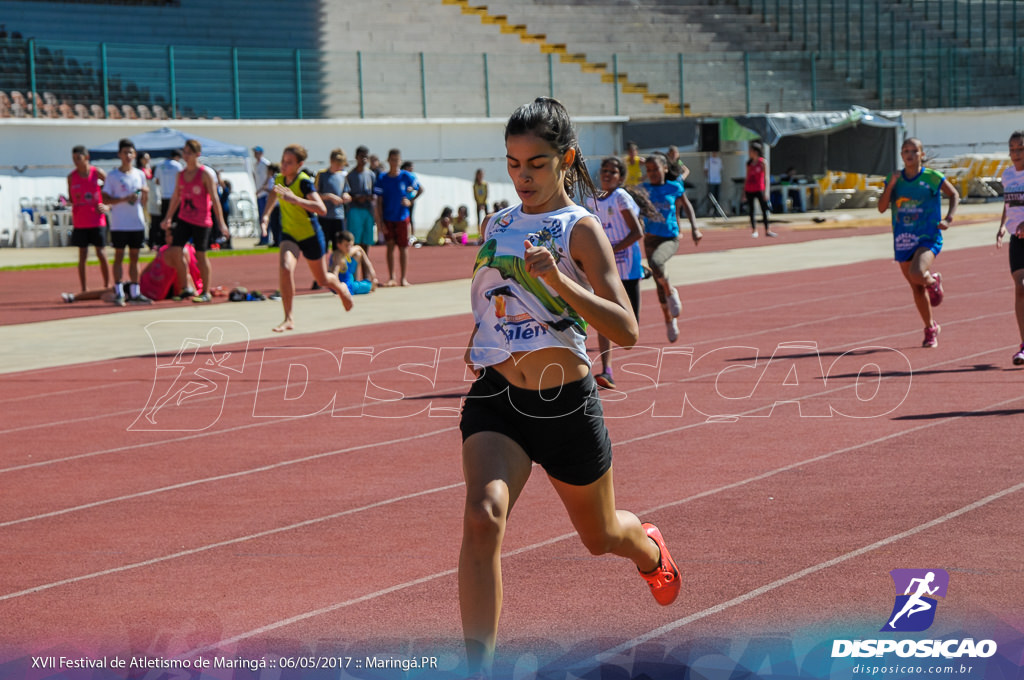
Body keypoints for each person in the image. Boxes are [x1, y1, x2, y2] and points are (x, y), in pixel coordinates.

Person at [459, 97, 681, 678]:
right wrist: (480, 335)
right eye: (512, 163)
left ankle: (650, 549)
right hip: (498, 396)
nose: (522, 175)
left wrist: (559, 278)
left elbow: (626, 329)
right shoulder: (498, 224)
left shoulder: (579, 229)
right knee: (483, 517)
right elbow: (496, 294)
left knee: (601, 536)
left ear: (566, 159)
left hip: (565, 406)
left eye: (535, 162)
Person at [259, 144, 354, 332]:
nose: (284, 165)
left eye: (289, 162)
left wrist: (296, 199)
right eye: (283, 161)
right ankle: (288, 318)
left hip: (310, 235)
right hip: (289, 234)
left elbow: (322, 208)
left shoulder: (304, 182)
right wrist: (266, 216)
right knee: (285, 268)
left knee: (322, 280)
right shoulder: (279, 178)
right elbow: (273, 195)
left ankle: (341, 287)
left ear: (299, 164)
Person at [877, 137, 959, 348]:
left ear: (921, 154)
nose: (909, 154)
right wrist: (891, 185)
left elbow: (954, 194)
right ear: (901, 155)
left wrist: (948, 219)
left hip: (928, 236)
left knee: (917, 273)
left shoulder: (932, 177)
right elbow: (881, 207)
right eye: (905, 151)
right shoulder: (894, 178)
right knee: (916, 288)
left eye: (914, 151)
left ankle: (932, 281)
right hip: (903, 238)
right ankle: (930, 328)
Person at [584, 156, 655, 389]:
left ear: (621, 178)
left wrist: (612, 247)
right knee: (604, 320)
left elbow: (637, 232)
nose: (607, 174)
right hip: (605, 270)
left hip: (627, 267)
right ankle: (607, 370)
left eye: (613, 172)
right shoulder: (591, 200)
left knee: (628, 330)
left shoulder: (621, 197)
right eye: (604, 170)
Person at [642, 152, 703, 343]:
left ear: (665, 169)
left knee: (656, 263)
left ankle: (671, 291)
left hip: (669, 238)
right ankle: (669, 320)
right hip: (649, 239)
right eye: (649, 169)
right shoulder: (643, 189)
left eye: (656, 169)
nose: (652, 173)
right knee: (658, 278)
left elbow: (687, 206)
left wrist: (694, 228)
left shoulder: (674, 187)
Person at [160, 139, 229, 302]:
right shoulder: (181, 175)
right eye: (184, 152)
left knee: (201, 255)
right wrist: (168, 217)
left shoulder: (205, 174)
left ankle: (205, 292)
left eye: (189, 152)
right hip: (185, 218)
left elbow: (214, 199)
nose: (185, 155)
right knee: (176, 250)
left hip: (202, 220)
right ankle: (186, 288)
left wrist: (221, 223)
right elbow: (176, 197)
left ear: (197, 154)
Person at [102, 138, 152, 306]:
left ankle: (135, 292)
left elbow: (143, 201)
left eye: (130, 153)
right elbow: (106, 198)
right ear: (119, 155)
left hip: (136, 222)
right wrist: (124, 199)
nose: (128, 156)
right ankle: (118, 291)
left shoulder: (139, 174)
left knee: (135, 257)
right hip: (119, 223)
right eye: (125, 153)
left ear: (134, 154)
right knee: (119, 256)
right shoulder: (113, 176)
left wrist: (145, 194)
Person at [994, 130, 1024, 364]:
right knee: (1020, 287)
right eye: (1012, 149)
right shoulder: (1007, 175)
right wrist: (1003, 226)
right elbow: (1009, 203)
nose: (1015, 153)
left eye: (1020, 149)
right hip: (1017, 238)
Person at [373, 148, 421, 286]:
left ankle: (403, 278)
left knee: (403, 247)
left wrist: (410, 201)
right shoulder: (382, 178)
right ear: (388, 160)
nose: (394, 163)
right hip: (388, 218)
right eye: (392, 160)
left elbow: (420, 188)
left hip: (402, 217)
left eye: (397, 160)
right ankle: (391, 277)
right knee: (389, 246)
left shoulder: (406, 176)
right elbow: (379, 201)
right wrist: (380, 221)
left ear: (400, 161)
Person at [66, 145, 110, 293]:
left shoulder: (97, 173)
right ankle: (84, 288)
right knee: (82, 254)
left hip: (97, 219)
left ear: (86, 158)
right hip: (80, 221)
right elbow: (71, 198)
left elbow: (111, 190)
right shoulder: (72, 177)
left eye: (78, 158)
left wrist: (107, 205)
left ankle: (107, 285)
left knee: (101, 253)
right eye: (73, 159)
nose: (76, 162)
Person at [317, 148, 351, 276]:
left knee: (339, 247)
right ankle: (321, 274)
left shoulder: (343, 176)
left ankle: (336, 272)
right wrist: (329, 196)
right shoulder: (323, 175)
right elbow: (315, 194)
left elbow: (346, 191)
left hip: (338, 216)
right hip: (325, 216)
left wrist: (346, 196)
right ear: (331, 161)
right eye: (337, 164)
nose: (339, 167)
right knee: (323, 246)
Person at [344, 145, 377, 253]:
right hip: (354, 210)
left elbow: (374, 193)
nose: (364, 159)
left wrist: (369, 197)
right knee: (355, 240)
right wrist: (356, 198)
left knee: (366, 241)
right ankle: (355, 268)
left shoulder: (371, 175)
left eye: (366, 157)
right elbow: (346, 194)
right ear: (356, 157)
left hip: (368, 210)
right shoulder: (350, 175)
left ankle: (365, 266)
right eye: (361, 156)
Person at [745, 141, 777, 238]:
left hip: (760, 188)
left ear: (756, 151)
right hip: (749, 189)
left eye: (751, 150)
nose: (749, 152)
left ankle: (767, 229)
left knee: (764, 210)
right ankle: (754, 230)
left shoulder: (763, 162)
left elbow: (766, 177)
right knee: (751, 210)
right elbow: (747, 177)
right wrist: (743, 192)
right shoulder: (749, 163)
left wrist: (766, 191)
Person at [331, 230, 378, 294]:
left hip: (347, 279)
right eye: (346, 245)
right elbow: (335, 272)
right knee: (367, 286)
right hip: (345, 285)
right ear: (339, 245)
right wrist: (338, 287)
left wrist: (372, 272)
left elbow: (359, 248)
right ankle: (367, 286)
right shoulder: (338, 256)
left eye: (350, 245)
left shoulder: (348, 250)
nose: (349, 248)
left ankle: (355, 280)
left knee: (358, 254)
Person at [252, 145, 272, 244]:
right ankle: (263, 237)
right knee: (261, 216)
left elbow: (269, 176)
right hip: (259, 193)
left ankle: (266, 238)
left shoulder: (265, 163)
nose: (255, 154)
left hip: (265, 193)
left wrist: (262, 188)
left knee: (265, 216)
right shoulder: (255, 164)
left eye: (257, 152)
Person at [401, 160, 421, 239]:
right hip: (402, 201)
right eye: (411, 167)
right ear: (406, 167)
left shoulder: (413, 176)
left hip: (410, 200)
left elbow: (417, 187)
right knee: (402, 219)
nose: (412, 169)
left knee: (410, 218)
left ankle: (412, 235)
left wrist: (412, 199)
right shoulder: (401, 175)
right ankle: (403, 235)